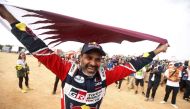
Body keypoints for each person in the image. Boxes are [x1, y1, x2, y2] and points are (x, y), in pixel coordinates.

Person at [0, 5, 168, 109]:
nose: (93, 63)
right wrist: (10, 18)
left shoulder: (105, 76)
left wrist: (157, 51)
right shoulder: (66, 70)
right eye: (89, 57)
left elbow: (134, 64)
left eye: (97, 59)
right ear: (80, 58)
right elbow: (37, 47)